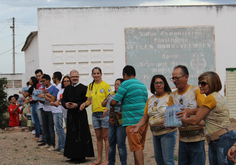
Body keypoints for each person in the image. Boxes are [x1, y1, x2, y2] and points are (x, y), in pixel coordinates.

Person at [181, 71, 236, 165]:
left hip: (222, 139)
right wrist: (190, 113)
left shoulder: (210, 98)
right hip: (217, 139)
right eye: (199, 83)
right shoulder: (216, 96)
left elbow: (195, 120)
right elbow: (206, 121)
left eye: (203, 83)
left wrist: (183, 119)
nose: (200, 86)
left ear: (212, 84)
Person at [130, 74, 177, 165]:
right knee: (159, 160)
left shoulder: (170, 97)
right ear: (153, 85)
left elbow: (175, 113)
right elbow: (145, 116)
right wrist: (138, 126)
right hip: (155, 134)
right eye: (156, 83)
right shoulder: (150, 99)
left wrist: (168, 120)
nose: (158, 85)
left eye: (160, 82)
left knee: (168, 161)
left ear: (164, 84)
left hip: (168, 133)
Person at [110, 65, 148, 165]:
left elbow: (114, 102)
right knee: (139, 147)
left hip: (132, 121)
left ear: (125, 75)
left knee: (136, 147)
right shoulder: (142, 85)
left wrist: (111, 104)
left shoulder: (125, 84)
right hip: (143, 121)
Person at [169, 65, 206, 165]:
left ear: (186, 77)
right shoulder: (172, 96)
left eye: (177, 78)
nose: (174, 80)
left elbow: (205, 110)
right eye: (173, 78)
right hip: (182, 140)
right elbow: (171, 117)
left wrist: (189, 112)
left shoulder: (196, 91)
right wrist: (170, 123)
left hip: (197, 139)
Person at [61, 70, 94, 163]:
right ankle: (72, 155)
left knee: (81, 134)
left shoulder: (84, 88)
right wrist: (65, 104)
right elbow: (63, 100)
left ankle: (81, 156)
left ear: (78, 77)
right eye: (73, 77)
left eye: (76, 76)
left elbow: (87, 101)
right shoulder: (67, 89)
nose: (74, 78)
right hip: (71, 114)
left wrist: (78, 105)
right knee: (71, 135)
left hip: (80, 115)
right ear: (70, 78)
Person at [80, 67, 110, 165]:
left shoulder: (105, 85)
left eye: (98, 73)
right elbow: (89, 100)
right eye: (94, 73)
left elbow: (110, 99)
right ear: (92, 75)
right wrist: (84, 104)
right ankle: (99, 159)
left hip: (104, 114)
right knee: (98, 137)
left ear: (101, 74)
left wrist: (107, 109)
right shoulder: (90, 86)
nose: (96, 75)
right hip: (95, 114)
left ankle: (107, 160)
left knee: (106, 137)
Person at [102, 78, 127, 165]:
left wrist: (119, 113)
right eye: (115, 84)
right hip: (111, 122)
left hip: (121, 123)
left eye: (118, 84)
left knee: (121, 145)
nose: (116, 86)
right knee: (111, 144)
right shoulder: (111, 94)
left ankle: (123, 163)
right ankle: (111, 162)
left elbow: (126, 110)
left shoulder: (125, 96)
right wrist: (107, 99)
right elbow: (103, 104)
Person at [46, 71, 65, 153]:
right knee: (58, 129)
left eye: (53, 77)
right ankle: (60, 145)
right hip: (56, 110)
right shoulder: (58, 86)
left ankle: (63, 146)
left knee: (60, 129)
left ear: (56, 78)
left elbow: (52, 99)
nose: (52, 79)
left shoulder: (57, 87)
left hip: (58, 110)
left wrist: (44, 96)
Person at [38, 74, 58, 151]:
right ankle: (47, 142)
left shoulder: (53, 88)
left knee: (50, 128)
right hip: (44, 109)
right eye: (41, 81)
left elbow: (53, 100)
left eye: (43, 81)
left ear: (48, 80)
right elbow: (44, 101)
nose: (42, 82)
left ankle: (52, 144)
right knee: (45, 127)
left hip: (51, 110)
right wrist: (38, 99)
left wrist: (45, 95)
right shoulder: (42, 89)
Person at [35, 69, 46, 145]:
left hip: (45, 105)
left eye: (39, 75)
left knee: (45, 123)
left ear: (42, 75)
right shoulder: (37, 85)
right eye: (37, 76)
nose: (38, 77)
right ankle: (43, 138)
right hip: (39, 105)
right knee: (41, 123)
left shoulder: (45, 83)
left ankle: (46, 139)